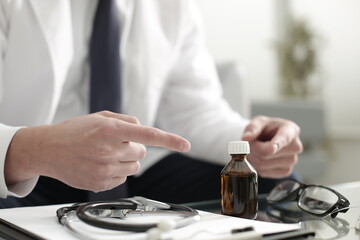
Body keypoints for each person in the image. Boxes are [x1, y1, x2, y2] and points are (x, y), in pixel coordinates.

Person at [0, 0, 302, 208]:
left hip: (134, 169)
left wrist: (252, 141)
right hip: (28, 171)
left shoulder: (173, 7)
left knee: (274, 183)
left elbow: (196, 111)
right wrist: (36, 149)